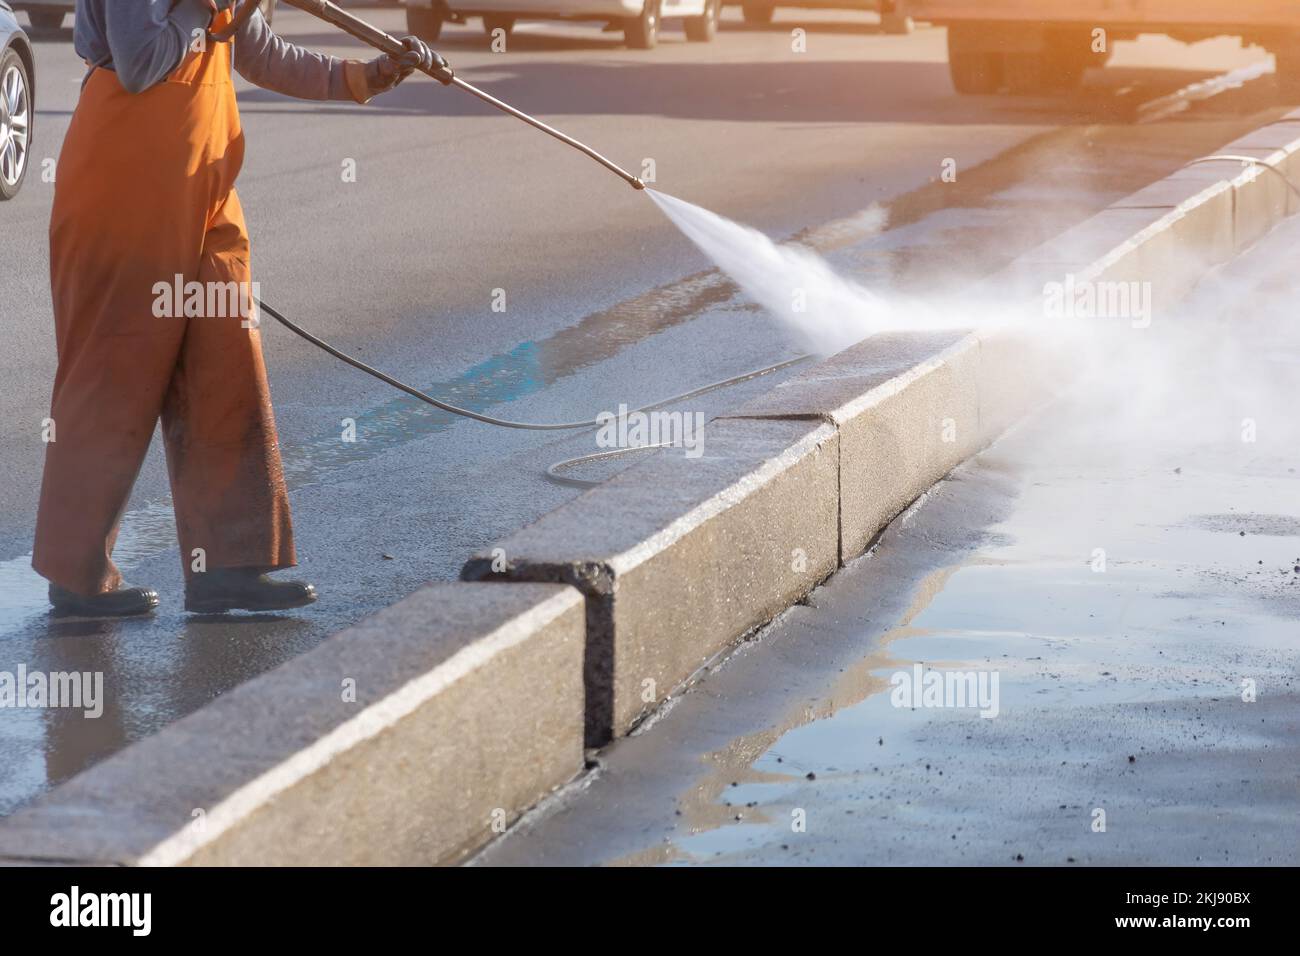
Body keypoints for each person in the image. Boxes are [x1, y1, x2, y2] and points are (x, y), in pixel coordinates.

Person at [32, 0, 447, 617]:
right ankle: (76, 576)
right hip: (122, 183)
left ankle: (226, 567)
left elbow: (260, 53)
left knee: (226, 360)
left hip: (203, 184)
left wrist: (368, 76)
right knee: (112, 371)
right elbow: (141, 61)